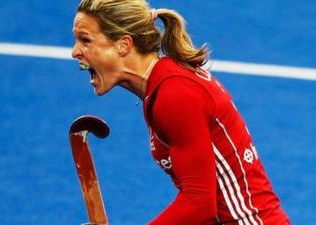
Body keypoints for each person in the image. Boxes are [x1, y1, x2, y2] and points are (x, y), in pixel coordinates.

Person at [71, 0, 291, 224]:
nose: (74, 52)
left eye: (85, 40)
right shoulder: (161, 85)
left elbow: (200, 202)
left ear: (123, 45)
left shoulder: (174, 95)